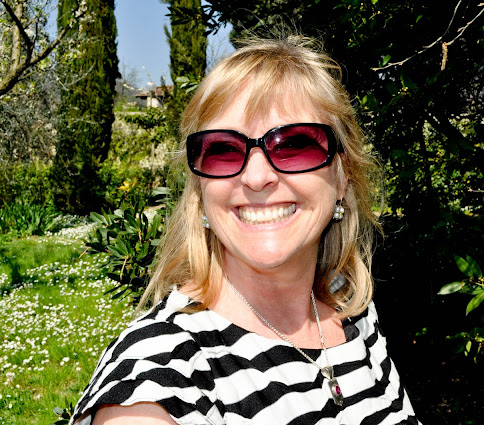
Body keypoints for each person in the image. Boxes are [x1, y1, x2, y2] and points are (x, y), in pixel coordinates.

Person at [71, 34, 422, 425]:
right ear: (200, 190)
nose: (256, 177)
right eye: (223, 150)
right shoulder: (160, 374)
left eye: (294, 145)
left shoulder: (352, 312)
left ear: (342, 176)